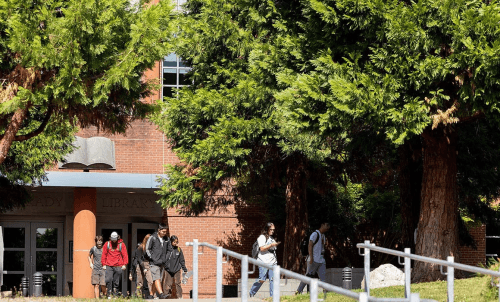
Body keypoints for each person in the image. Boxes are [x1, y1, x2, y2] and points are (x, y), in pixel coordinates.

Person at [295, 222, 330, 295]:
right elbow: (310, 245)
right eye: (326, 225)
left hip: (321, 260)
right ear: (322, 225)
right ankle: (298, 291)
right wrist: (311, 258)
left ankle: (325, 293)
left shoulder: (323, 235)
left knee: (323, 277)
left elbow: (322, 247)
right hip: (314, 260)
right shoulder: (315, 234)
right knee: (308, 276)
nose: (327, 227)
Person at [249, 222, 280, 297]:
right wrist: (271, 245)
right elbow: (262, 248)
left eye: (273, 230)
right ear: (267, 229)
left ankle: (272, 297)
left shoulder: (272, 238)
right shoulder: (262, 237)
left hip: (272, 262)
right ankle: (252, 292)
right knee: (262, 279)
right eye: (271, 229)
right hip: (263, 262)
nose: (272, 231)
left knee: (273, 280)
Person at [145, 223, 171, 299]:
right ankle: (161, 294)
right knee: (157, 278)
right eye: (163, 231)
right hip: (154, 262)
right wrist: (153, 258)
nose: (164, 233)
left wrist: (166, 258)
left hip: (162, 262)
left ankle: (151, 295)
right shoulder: (152, 238)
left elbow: (169, 250)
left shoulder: (167, 239)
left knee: (157, 279)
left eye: (165, 232)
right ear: (159, 230)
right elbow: (147, 249)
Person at [102, 231, 129, 298]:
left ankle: (115, 294)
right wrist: (103, 264)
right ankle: (109, 294)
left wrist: (124, 264)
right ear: (110, 238)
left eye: (115, 240)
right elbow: (104, 254)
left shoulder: (121, 244)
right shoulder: (107, 244)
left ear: (117, 238)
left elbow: (125, 254)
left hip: (118, 265)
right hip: (109, 265)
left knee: (116, 281)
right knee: (108, 279)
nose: (114, 241)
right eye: (112, 240)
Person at [136, 234, 155, 299]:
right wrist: (143, 267)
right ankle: (138, 296)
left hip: (148, 264)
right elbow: (139, 259)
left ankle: (152, 295)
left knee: (150, 281)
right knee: (140, 281)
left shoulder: (151, 248)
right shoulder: (141, 247)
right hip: (141, 264)